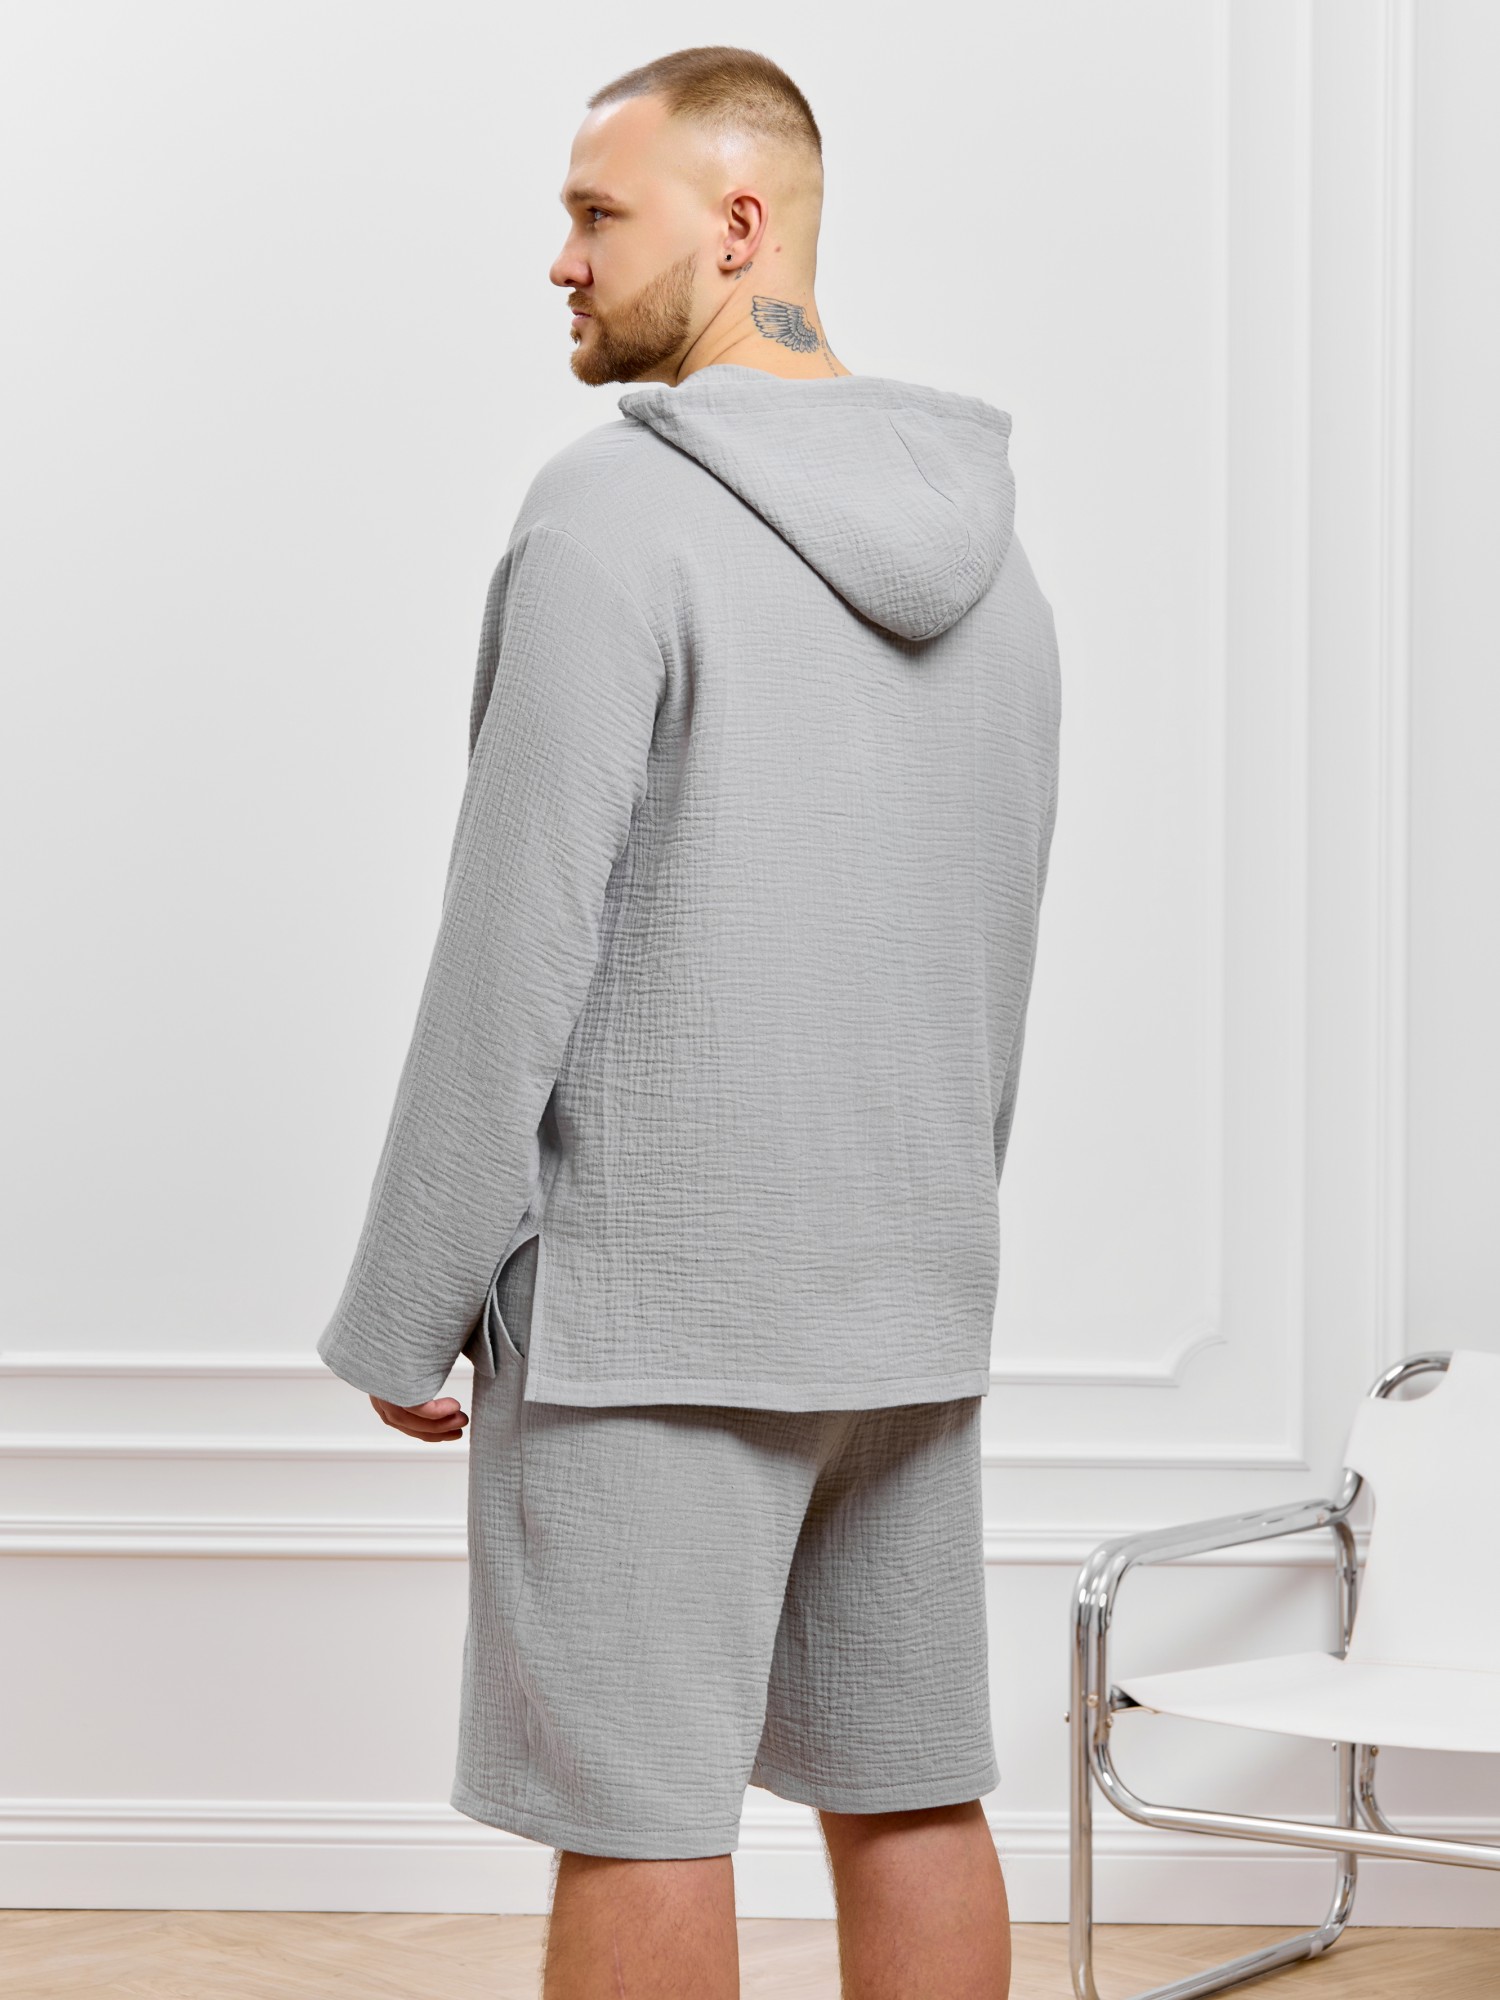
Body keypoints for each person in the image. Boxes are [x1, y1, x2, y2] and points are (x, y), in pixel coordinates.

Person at [316, 42, 1060, 2000]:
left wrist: (407, 1300)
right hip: (907, 1295)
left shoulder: (612, 517)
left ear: (739, 225)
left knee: (641, 1814)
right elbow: (989, 955)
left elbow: (512, 949)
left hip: (657, 1315)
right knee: (910, 1789)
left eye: (595, 213)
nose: (559, 260)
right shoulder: (1000, 567)